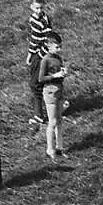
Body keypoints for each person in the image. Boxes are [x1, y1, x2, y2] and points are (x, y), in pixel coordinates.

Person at [37, 32, 68, 163]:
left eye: (60, 46)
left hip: (59, 90)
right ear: (49, 46)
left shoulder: (58, 58)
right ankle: (50, 149)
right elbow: (41, 78)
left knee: (59, 120)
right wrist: (55, 76)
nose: (59, 49)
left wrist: (63, 73)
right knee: (52, 121)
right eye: (57, 47)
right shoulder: (45, 60)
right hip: (50, 92)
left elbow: (59, 72)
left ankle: (59, 147)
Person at [25, 0, 52, 125]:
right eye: (37, 8)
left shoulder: (39, 21)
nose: (39, 10)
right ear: (31, 7)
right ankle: (52, 106)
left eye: (41, 8)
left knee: (35, 84)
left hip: (40, 55)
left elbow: (35, 40)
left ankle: (39, 116)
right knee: (41, 82)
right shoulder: (40, 18)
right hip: (43, 53)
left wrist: (31, 54)